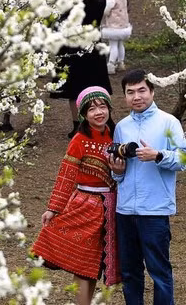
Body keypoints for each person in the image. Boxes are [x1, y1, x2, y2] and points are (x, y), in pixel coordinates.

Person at [32, 87, 121, 304]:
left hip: (112, 207)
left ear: (109, 108)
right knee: (83, 266)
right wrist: (53, 208)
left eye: (102, 106)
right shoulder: (79, 140)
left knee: (95, 266)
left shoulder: (116, 134)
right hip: (86, 207)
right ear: (83, 114)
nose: (98, 112)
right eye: (91, 109)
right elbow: (66, 176)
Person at [107, 69, 186, 305]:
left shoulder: (168, 122)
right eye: (130, 92)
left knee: (159, 272)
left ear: (152, 92)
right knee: (130, 273)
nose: (137, 97)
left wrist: (158, 155)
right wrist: (117, 171)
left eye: (141, 90)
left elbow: (184, 159)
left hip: (154, 210)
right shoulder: (121, 127)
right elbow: (119, 171)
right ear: (125, 96)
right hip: (125, 210)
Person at [50, 0, 113, 137]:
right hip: (93, 47)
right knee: (96, 84)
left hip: (72, 48)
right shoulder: (101, 0)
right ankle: (101, 120)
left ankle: (77, 125)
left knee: (74, 88)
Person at [101, 0, 133, 75]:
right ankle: (120, 62)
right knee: (120, 44)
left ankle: (111, 65)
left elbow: (106, 11)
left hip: (114, 27)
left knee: (113, 45)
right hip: (123, 26)